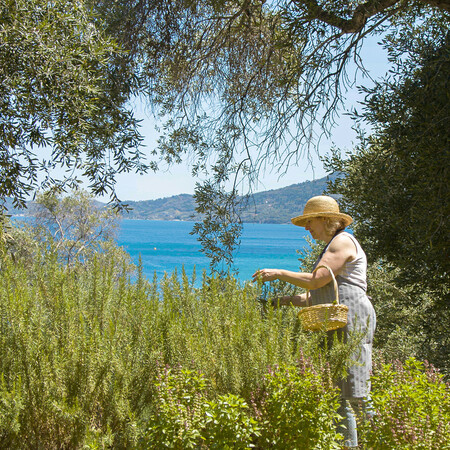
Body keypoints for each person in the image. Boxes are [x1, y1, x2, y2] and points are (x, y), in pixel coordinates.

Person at [252, 195, 376, 449]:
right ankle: (350, 445)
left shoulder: (342, 242)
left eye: (310, 221)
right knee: (341, 390)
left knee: (356, 388)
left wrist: (279, 273)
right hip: (339, 320)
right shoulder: (331, 245)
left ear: (325, 219)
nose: (307, 228)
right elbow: (316, 295)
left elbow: (315, 281)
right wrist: (282, 301)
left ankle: (383, 441)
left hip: (352, 319)